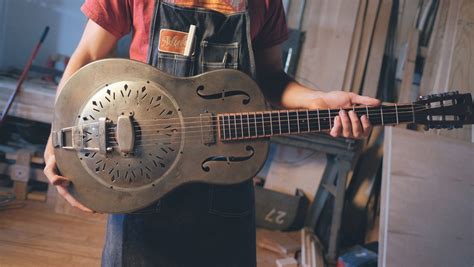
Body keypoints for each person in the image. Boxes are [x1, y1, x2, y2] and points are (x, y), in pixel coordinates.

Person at [43, 0, 380, 266]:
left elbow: (270, 78)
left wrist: (317, 100)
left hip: (226, 184)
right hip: (140, 182)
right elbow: (87, 55)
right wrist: (58, 140)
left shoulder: (262, 2)